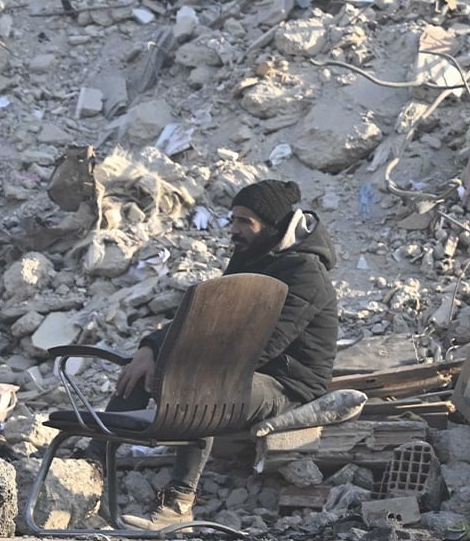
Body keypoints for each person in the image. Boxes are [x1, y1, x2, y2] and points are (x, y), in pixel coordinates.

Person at [104, 179, 338, 530]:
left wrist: (186, 367)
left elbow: (264, 346)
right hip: (240, 369)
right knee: (140, 368)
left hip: (288, 384)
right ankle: (92, 464)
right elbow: (204, 317)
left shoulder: (307, 274)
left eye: (245, 221)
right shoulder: (250, 255)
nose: (234, 229)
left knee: (205, 388)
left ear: (273, 225)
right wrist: (152, 347)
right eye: (233, 219)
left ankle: (178, 503)